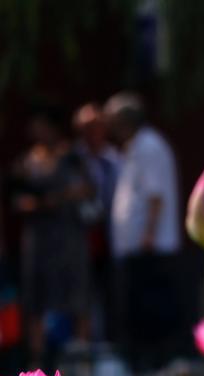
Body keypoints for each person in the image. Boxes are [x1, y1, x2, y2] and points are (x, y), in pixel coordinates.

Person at [9, 103, 94, 365]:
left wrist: (58, 198)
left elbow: (86, 190)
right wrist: (34, 204)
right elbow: (15, 198)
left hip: (68, 237)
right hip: (38, 239)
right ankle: (37, 360)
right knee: (36, 298)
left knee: (76, 295)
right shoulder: (26, 161)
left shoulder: (71, 157)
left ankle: (80, 357)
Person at [104, 92, 182, 369]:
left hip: (149, 248)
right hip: (137, 248)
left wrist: (149, 233)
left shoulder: (149, 146)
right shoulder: (135, 147)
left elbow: (155, 195)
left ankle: (154, 366)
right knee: (137, 314)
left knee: (151, 313)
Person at [73, 103, 121, 341]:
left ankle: (111, 343)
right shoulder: (73, 159)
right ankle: (83, 343)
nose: (91, 133)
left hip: (111, 235)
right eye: (86, 128)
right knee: (82, 294)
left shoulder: (114, 158)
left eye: (95, 126)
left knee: (111, 291)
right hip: (79, 238)